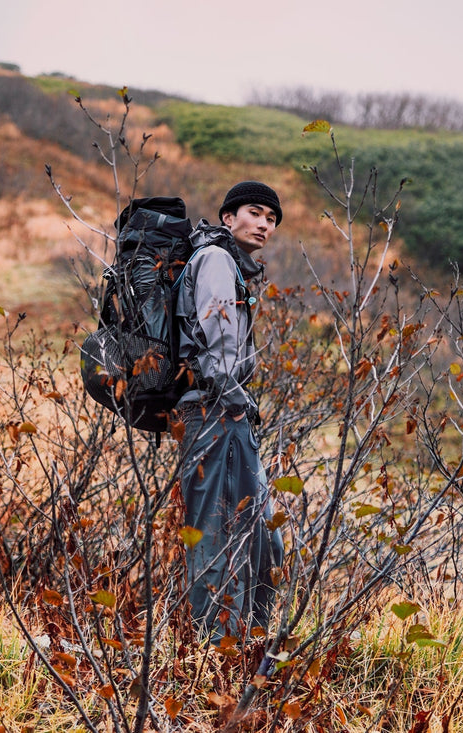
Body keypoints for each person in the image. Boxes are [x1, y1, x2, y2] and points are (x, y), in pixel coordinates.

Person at [174, 180, 285, 644]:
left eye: (271, 219)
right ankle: (211, 655)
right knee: (215, 540)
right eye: (255, 212)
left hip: (227, 413)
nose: (263, 224)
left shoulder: (233, 266)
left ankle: (248, 645)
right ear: (228, 218)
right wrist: (237, 401)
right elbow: (217, 344)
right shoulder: (217, 260)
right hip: (214, 412)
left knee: (263, 539)